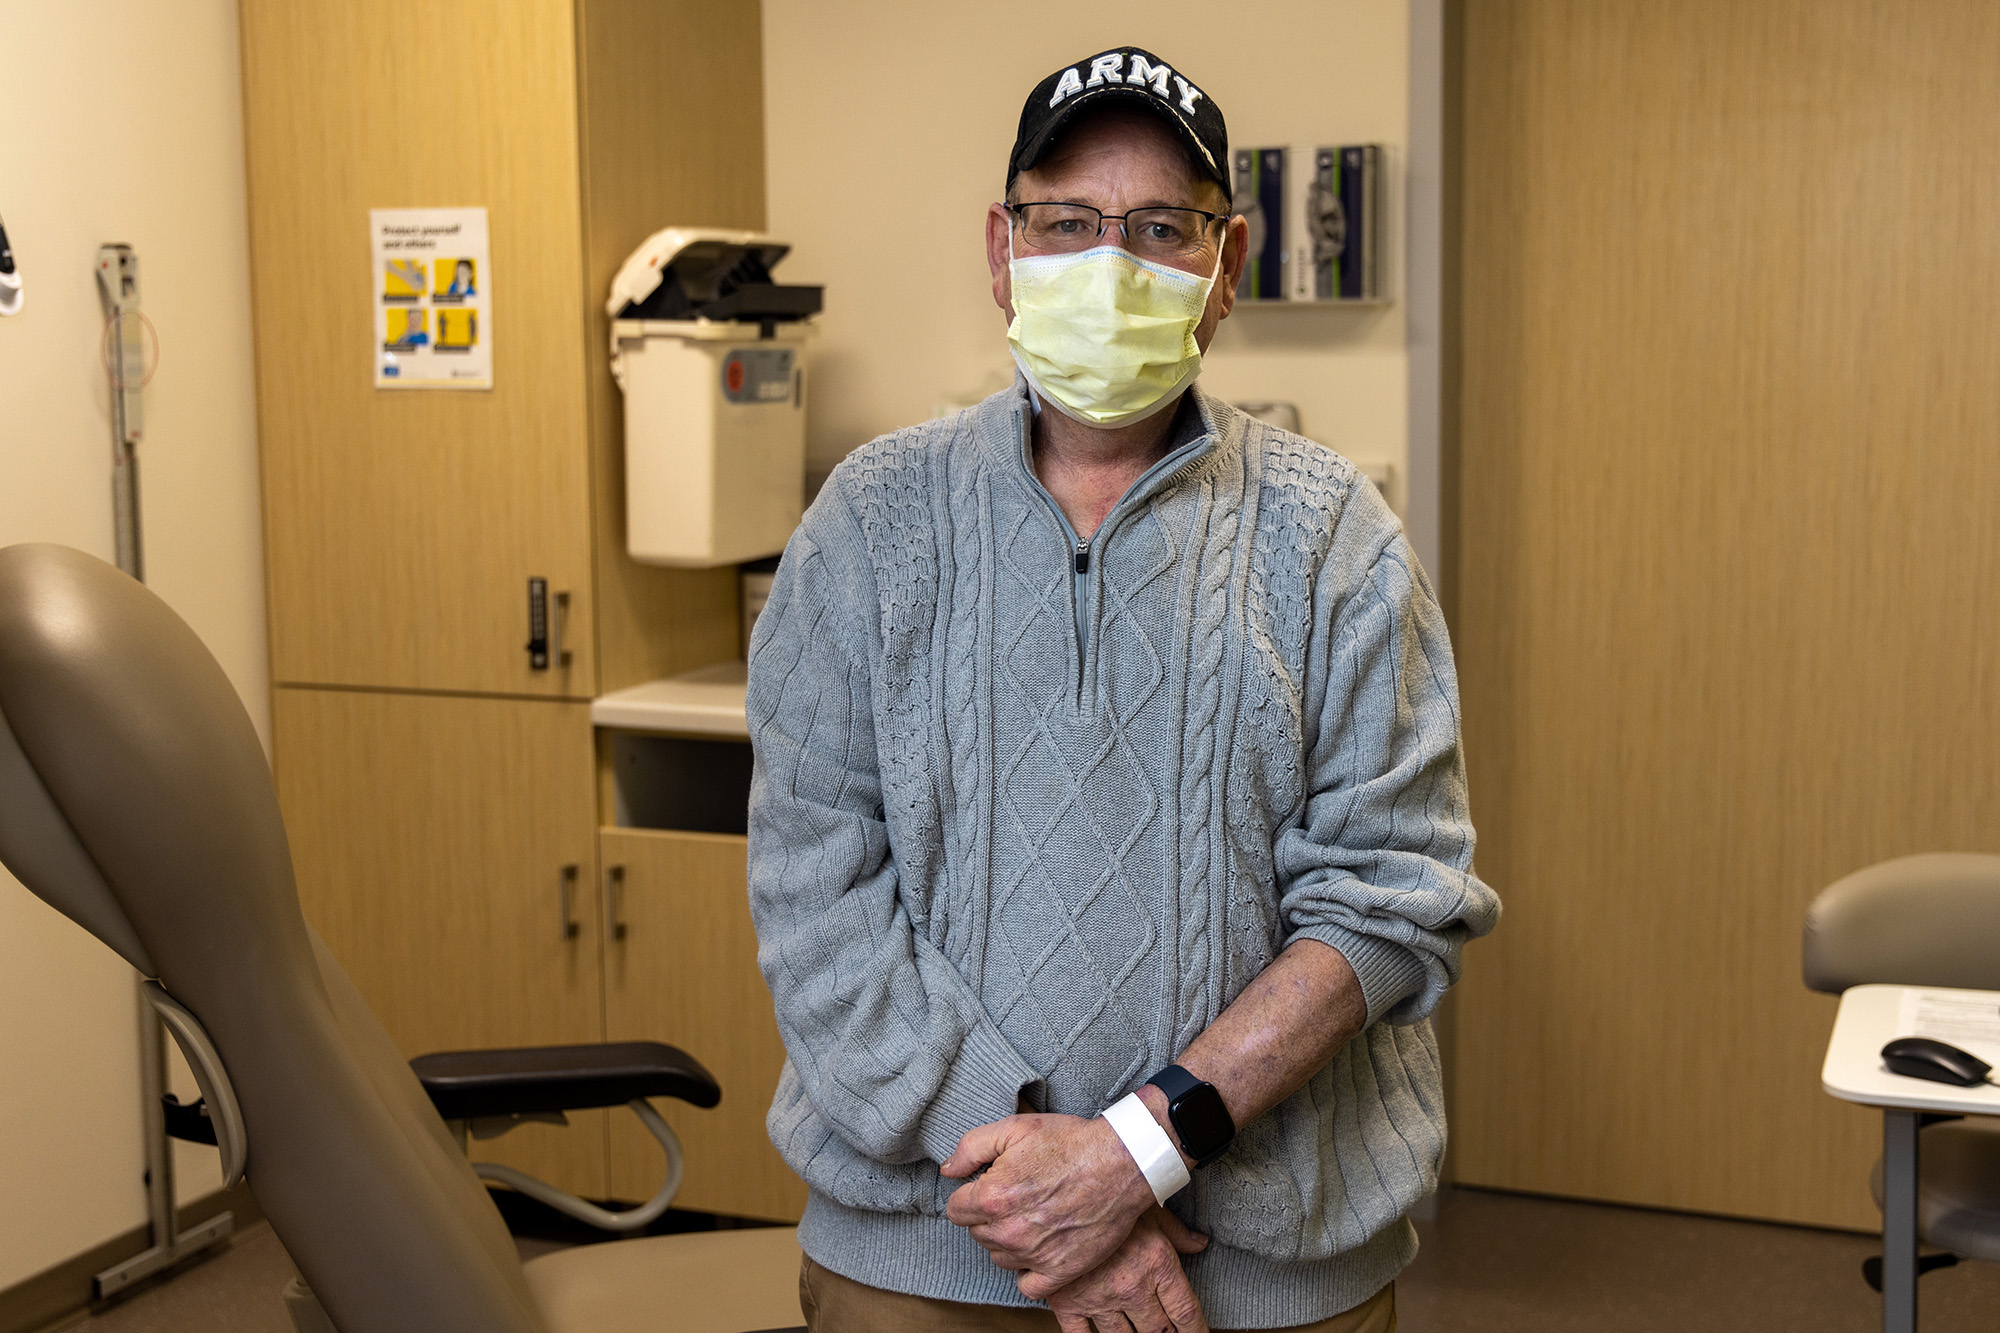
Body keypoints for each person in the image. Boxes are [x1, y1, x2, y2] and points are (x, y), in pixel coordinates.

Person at [746, 46, 1499, 1333]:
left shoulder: (1333, 542)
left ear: (1226, 267)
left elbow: (1388, 899)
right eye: (1067, 224)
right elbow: (816, 888)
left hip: (1262, 1267)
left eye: (1161, 229)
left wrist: (1136, 1156)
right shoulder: (868, 523)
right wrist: (1049, 1173)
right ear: (1001, 250)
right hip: (923, 1249)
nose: (1110, 263)